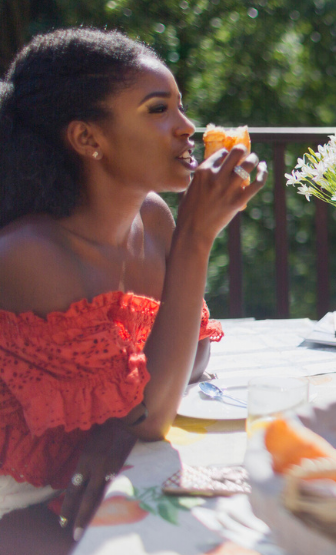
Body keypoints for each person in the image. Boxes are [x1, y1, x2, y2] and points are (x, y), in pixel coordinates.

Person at [0, 27, 265, 547]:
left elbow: (193, 358)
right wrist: (196, 238)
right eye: (157, 109)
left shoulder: (153, 218)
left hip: (114, 475)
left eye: (180, 107)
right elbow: (155, 412)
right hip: (23, 503)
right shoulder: (29, 256)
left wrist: (125, 422)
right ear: (87, 139)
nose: (186, 127)